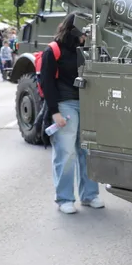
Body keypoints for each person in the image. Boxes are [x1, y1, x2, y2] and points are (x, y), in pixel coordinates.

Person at [40, 13, 104, 214]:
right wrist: (54, 111)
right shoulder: (54, 50)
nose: (86, 36)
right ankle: (65, 198)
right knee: (66, 153)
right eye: (84, 32)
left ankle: (90, 195)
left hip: (86, 104)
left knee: (88, 151)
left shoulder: (87, 49)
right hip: (65, 104)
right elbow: (46, 82)